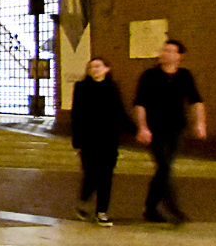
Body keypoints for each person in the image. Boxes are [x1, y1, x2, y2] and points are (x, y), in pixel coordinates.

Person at [133, 38, 205, 224]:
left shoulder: (185, 76)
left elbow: (196, 101)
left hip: (176, 128)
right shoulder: (149, 75)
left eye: (170, 51)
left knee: (164, 168)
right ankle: (173, 208)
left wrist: (200, 124)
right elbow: (140, 103)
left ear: (180, 56)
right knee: (164, 166)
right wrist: (142, 127)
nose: (164, 53)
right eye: (163, 50)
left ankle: (150, 208)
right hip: (155, 128)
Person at [68, 56, 126, 225]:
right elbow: (76, 115)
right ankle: (84, 200)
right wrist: (77, 142)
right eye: (91, 67)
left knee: (106, 176)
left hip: (109, 139)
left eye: (98, 66)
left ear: (107, 69)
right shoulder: (81, 87)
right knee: (91, 174)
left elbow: (120, 112)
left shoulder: (112, 88)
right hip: (88, 140)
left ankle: (102, 212)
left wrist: (137, 130)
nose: (95, 69)